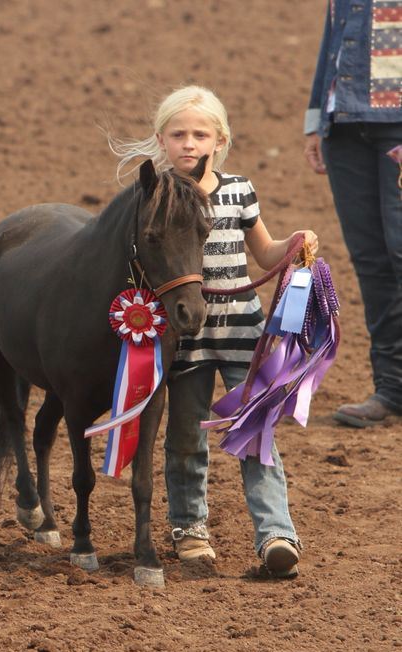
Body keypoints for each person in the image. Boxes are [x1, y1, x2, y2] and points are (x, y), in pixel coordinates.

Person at [110, 86, 319, 577]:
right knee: (184, 437)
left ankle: (276, 533)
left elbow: (265, 253)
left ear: (219, 140)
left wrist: (296, 244)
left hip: (244, 333)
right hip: (184, 339)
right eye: (178, 134)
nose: (189, 143)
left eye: (200, 134)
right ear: (160, 140)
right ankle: (189, 528)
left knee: (257, 433)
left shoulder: (239, 190)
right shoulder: (154, 195)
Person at [303, 0, 402, 428]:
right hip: (342, 124)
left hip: (395, 124)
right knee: (371, 259)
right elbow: (332, 41)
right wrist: (314, 120)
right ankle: (391, 387)